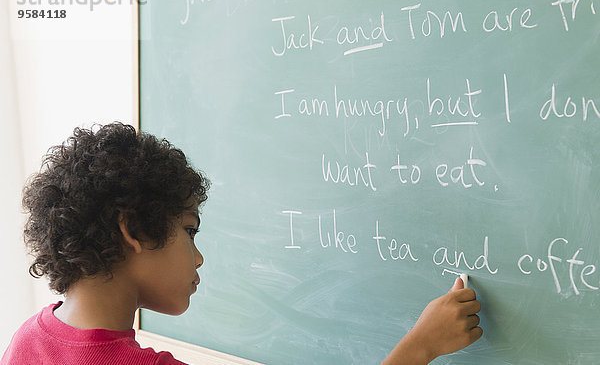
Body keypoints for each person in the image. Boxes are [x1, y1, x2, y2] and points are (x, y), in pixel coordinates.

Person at [1, 122, 482, 365]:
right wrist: (420, 347)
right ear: (135, 231)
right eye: (189, 231)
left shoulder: (27, 342)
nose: (199, 256)